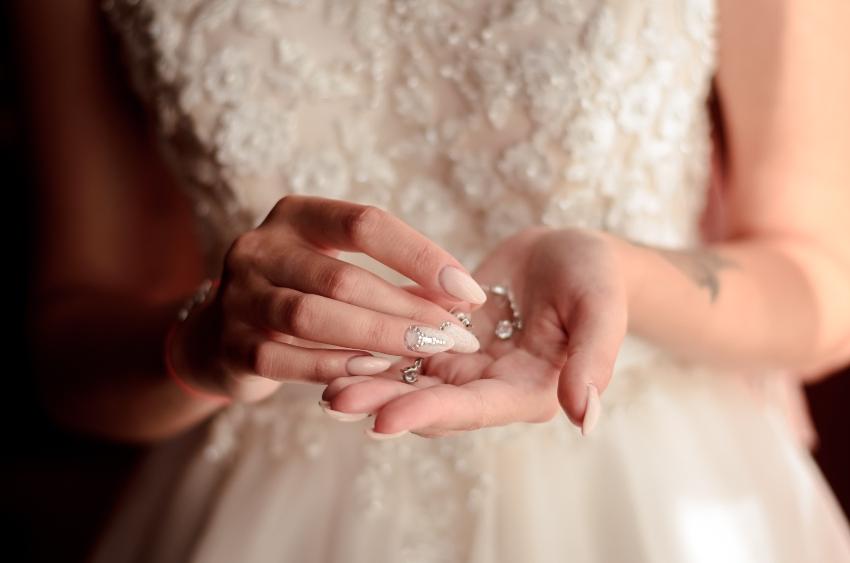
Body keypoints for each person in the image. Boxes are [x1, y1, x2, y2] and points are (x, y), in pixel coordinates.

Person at [24, 0, 850, 561]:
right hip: (267, 512)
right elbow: (68, 343)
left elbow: (824, 281)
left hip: (655, 490)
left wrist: (623, 276)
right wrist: (199, 344)